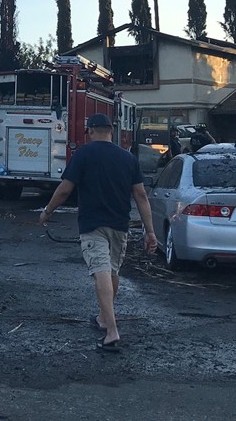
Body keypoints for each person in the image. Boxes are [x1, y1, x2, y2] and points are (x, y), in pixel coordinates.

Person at [39, 113, 158, 353]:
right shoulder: (128, 158)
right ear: (111, 131)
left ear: (91, 131)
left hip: (92, 225)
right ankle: (104, 318)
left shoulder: (83, 154)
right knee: (112, 271)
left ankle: (112, 331)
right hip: (120, 225)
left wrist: (48, 211)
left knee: (100, 272)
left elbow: (64, 190)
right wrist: (150, 232)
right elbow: (141, 196)